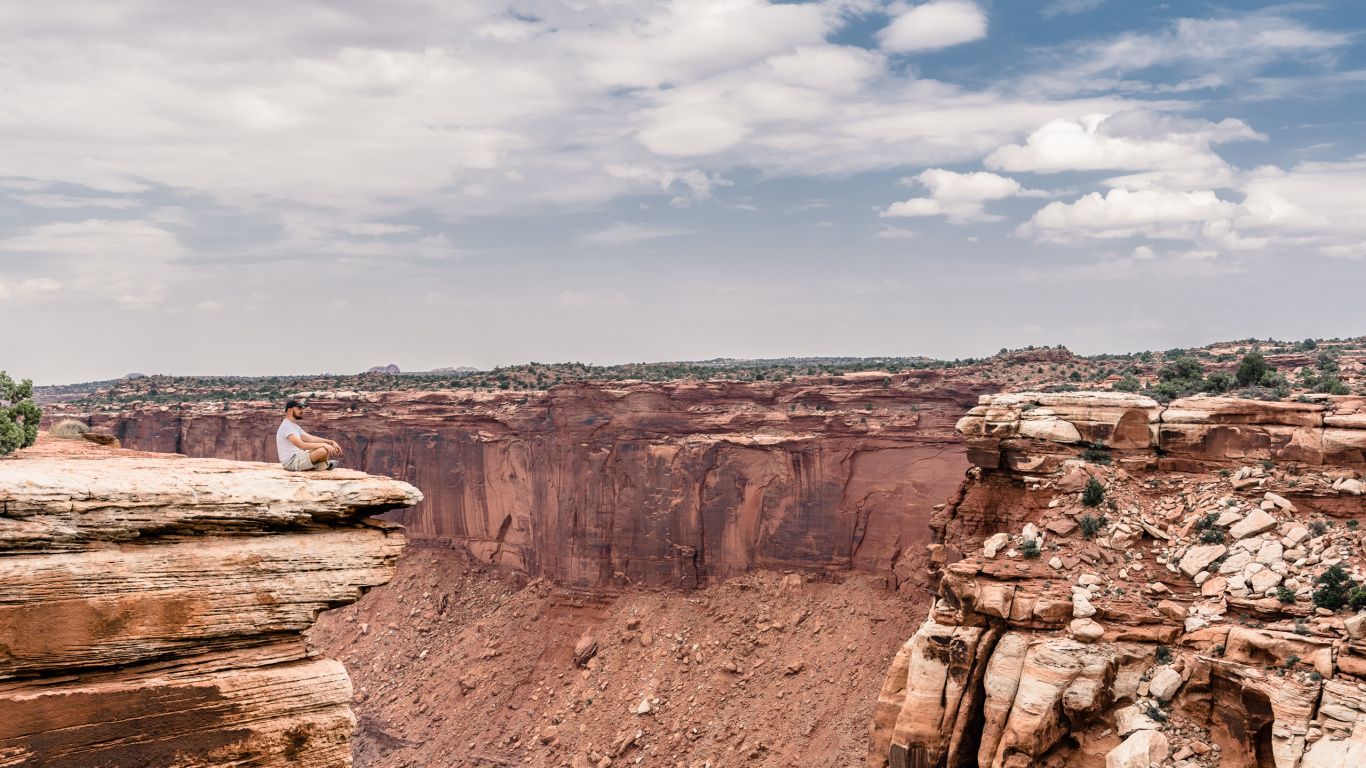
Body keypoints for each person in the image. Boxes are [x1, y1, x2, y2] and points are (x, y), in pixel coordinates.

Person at [277, 399, 343, 471]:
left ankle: (320, 465)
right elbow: (301, 445)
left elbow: (311, 438)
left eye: (302, 408)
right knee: (323, 450)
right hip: (291, 463)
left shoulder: (293, 426)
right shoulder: (287, 426)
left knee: (323, 449)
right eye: (299, 408)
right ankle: (322, 465)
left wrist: (331, 442)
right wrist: (324, 445)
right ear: (290, 410)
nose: (302, 411)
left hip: (298, 457)